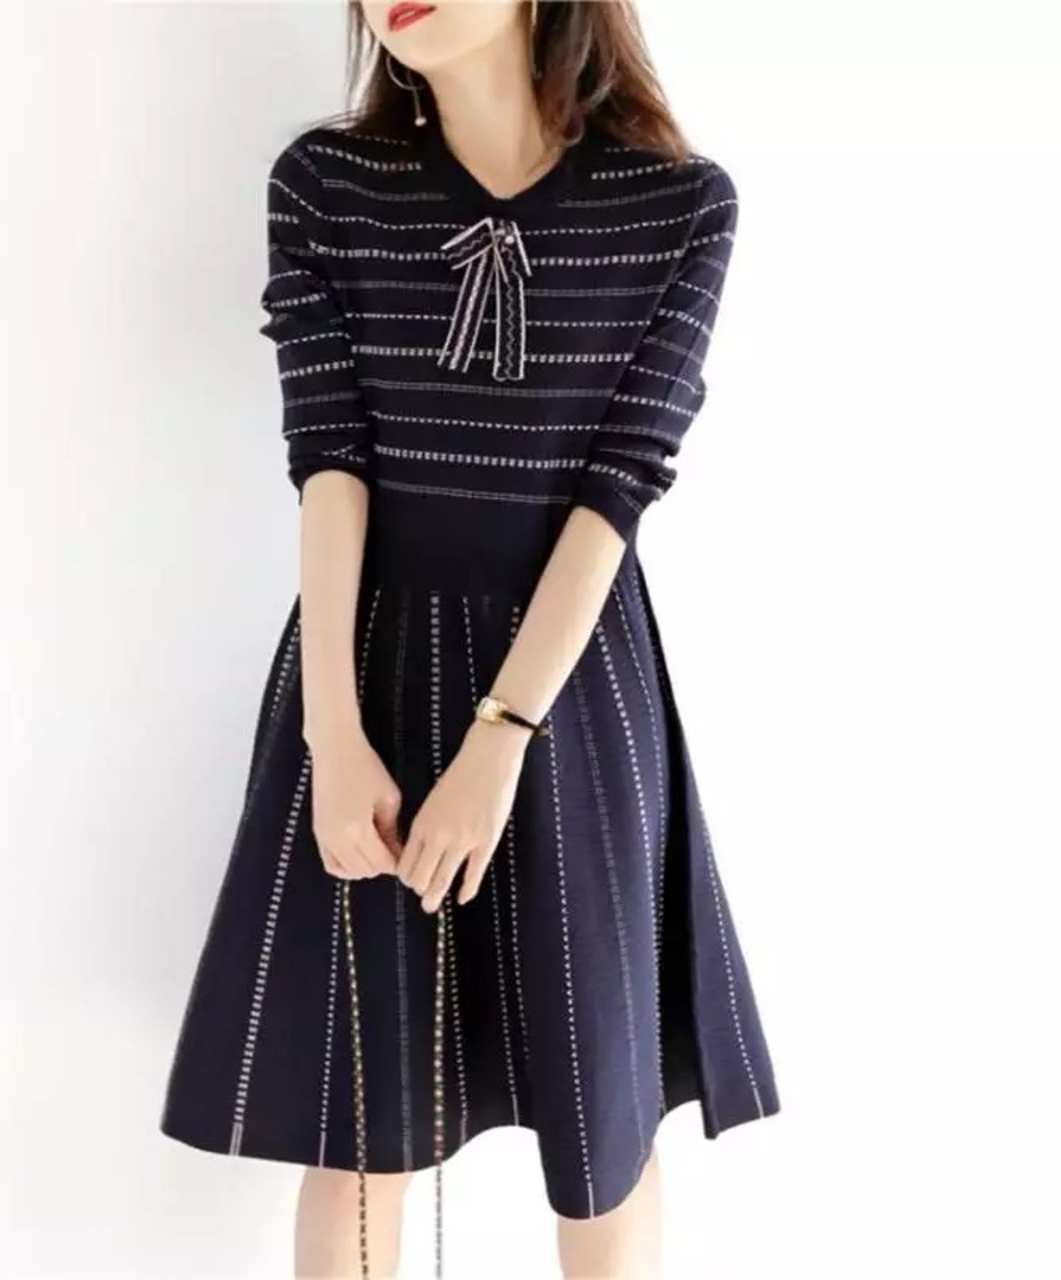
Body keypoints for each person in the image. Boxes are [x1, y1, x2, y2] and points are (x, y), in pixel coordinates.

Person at [160, 2, 780, 1276]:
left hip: (568, 694)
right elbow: (328, 462)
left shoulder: (676, 208)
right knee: (360, 1121)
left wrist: (501, 737)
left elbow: (615, 491)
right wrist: (335, 735)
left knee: (601, 1113)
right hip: (367, 674)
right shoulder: (327, 186)